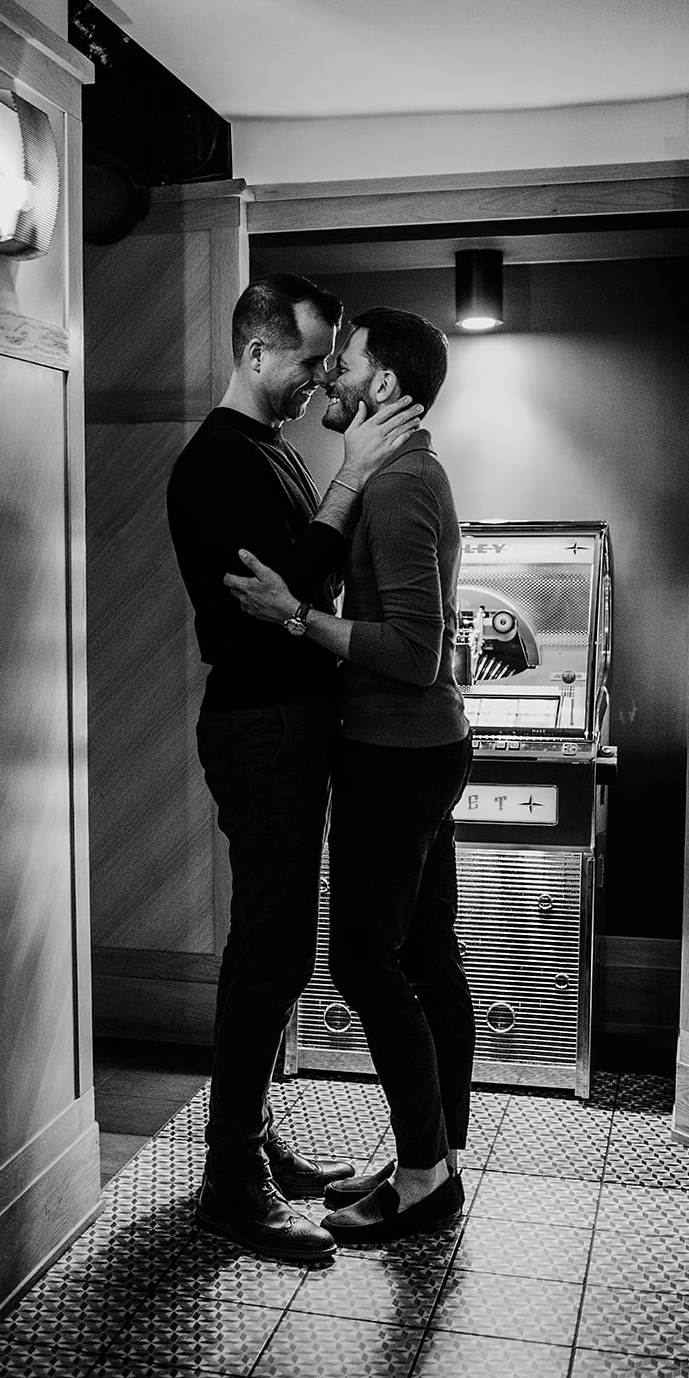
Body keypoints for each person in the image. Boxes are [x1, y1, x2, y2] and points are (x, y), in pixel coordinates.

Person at [167, 276, 427, 1262]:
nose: (319, 376)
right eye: (310, 357)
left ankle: (252, 1140)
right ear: (256, 352)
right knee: (268, 946)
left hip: (285, 723)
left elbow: (299, 588)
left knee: (276, 941)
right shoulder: (213, 464)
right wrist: (351, 478)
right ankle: (231, 1174)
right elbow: (285, 596)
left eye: (329, 357)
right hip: (260, 726)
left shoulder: (266, 450)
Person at [225, 307, 474, 1246]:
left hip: (396, 752)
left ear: (382, 386)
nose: (329, 377)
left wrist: (295, 617)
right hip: (416, 748)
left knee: (365, 966)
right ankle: (434, 1158)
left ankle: (423, 1179)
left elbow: (412, 651)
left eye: (347, 364)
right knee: (423, 957)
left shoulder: (404, 485)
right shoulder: (395, 476)